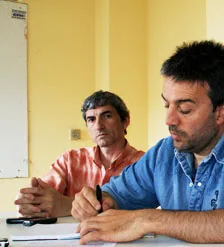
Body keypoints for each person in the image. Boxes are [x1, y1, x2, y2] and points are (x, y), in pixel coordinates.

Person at [71, 40, 224, 245]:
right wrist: (96, 201)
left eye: (184, 109)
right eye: (167, 106)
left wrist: (147, 219)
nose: (169, 120)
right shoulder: (165, 151)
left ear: (220, 112)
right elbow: (116, 195)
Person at [14, 91, 144, 218]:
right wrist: (29, 202)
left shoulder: (143, 163)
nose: (99, 126)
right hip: (71, 238)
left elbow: (147, 213)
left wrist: (64, 205)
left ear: (125, 121)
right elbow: (43, 200)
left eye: (107, 116)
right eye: (91, 119)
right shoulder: (69, 161)